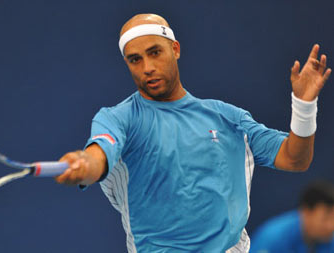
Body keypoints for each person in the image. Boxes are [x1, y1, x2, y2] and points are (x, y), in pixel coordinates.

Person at [55, 13, 332, 252]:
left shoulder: (228, 118)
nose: (147, 68)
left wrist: (304, 106)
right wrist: (83, 164)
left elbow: (295, 159)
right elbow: (98, 156)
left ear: (175, 49)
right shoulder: (119, 118)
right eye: (135, 60)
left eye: (154, 53)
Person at [250, 181, 334, 252]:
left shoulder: (329, 238)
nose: (331, 226)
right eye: (325, 218)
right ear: (306, 212)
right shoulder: (272, 240)